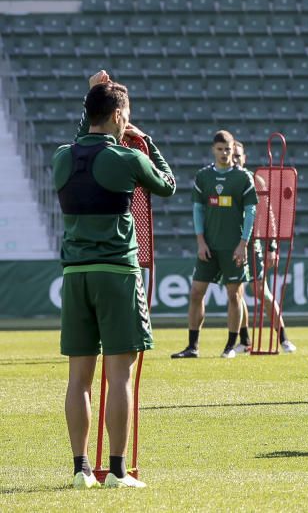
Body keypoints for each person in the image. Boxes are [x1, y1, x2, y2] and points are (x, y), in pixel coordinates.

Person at [55, 74, 176, 488]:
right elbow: (167, 185)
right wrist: (146, 140)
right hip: (117, 275)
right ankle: (119, 470)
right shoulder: (127, 157)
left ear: (88, 113)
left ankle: (80, 470)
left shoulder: (60, 158)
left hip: (74, 277)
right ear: (120, 115)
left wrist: (89, 102)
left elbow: (80, 147)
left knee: (78, 378)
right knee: (120, 375)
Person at [171, 131, 258, 359]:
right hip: (208, 247)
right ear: (213, 149)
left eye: (227, 149)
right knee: (196, 293)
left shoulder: (243, 178)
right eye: (220, 149)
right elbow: (198, 210)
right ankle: (192, 346)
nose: (224, 153)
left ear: (232, 150)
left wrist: (243, 244)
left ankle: (230, 346)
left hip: (233, 247)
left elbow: (251, 212)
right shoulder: (203, 177)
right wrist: (200, 241)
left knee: (234, 296)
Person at [231, 140, 295, 354]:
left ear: (245, 157)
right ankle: (244, 340)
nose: (234, 159)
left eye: (238, 155)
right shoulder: (223, 180)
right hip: (230, 243)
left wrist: (272, 247)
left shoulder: (254, 180)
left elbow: (269, 216)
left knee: (261, 291)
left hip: (253, 242)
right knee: (236, 292)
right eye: (232, 155)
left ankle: (283, 338)